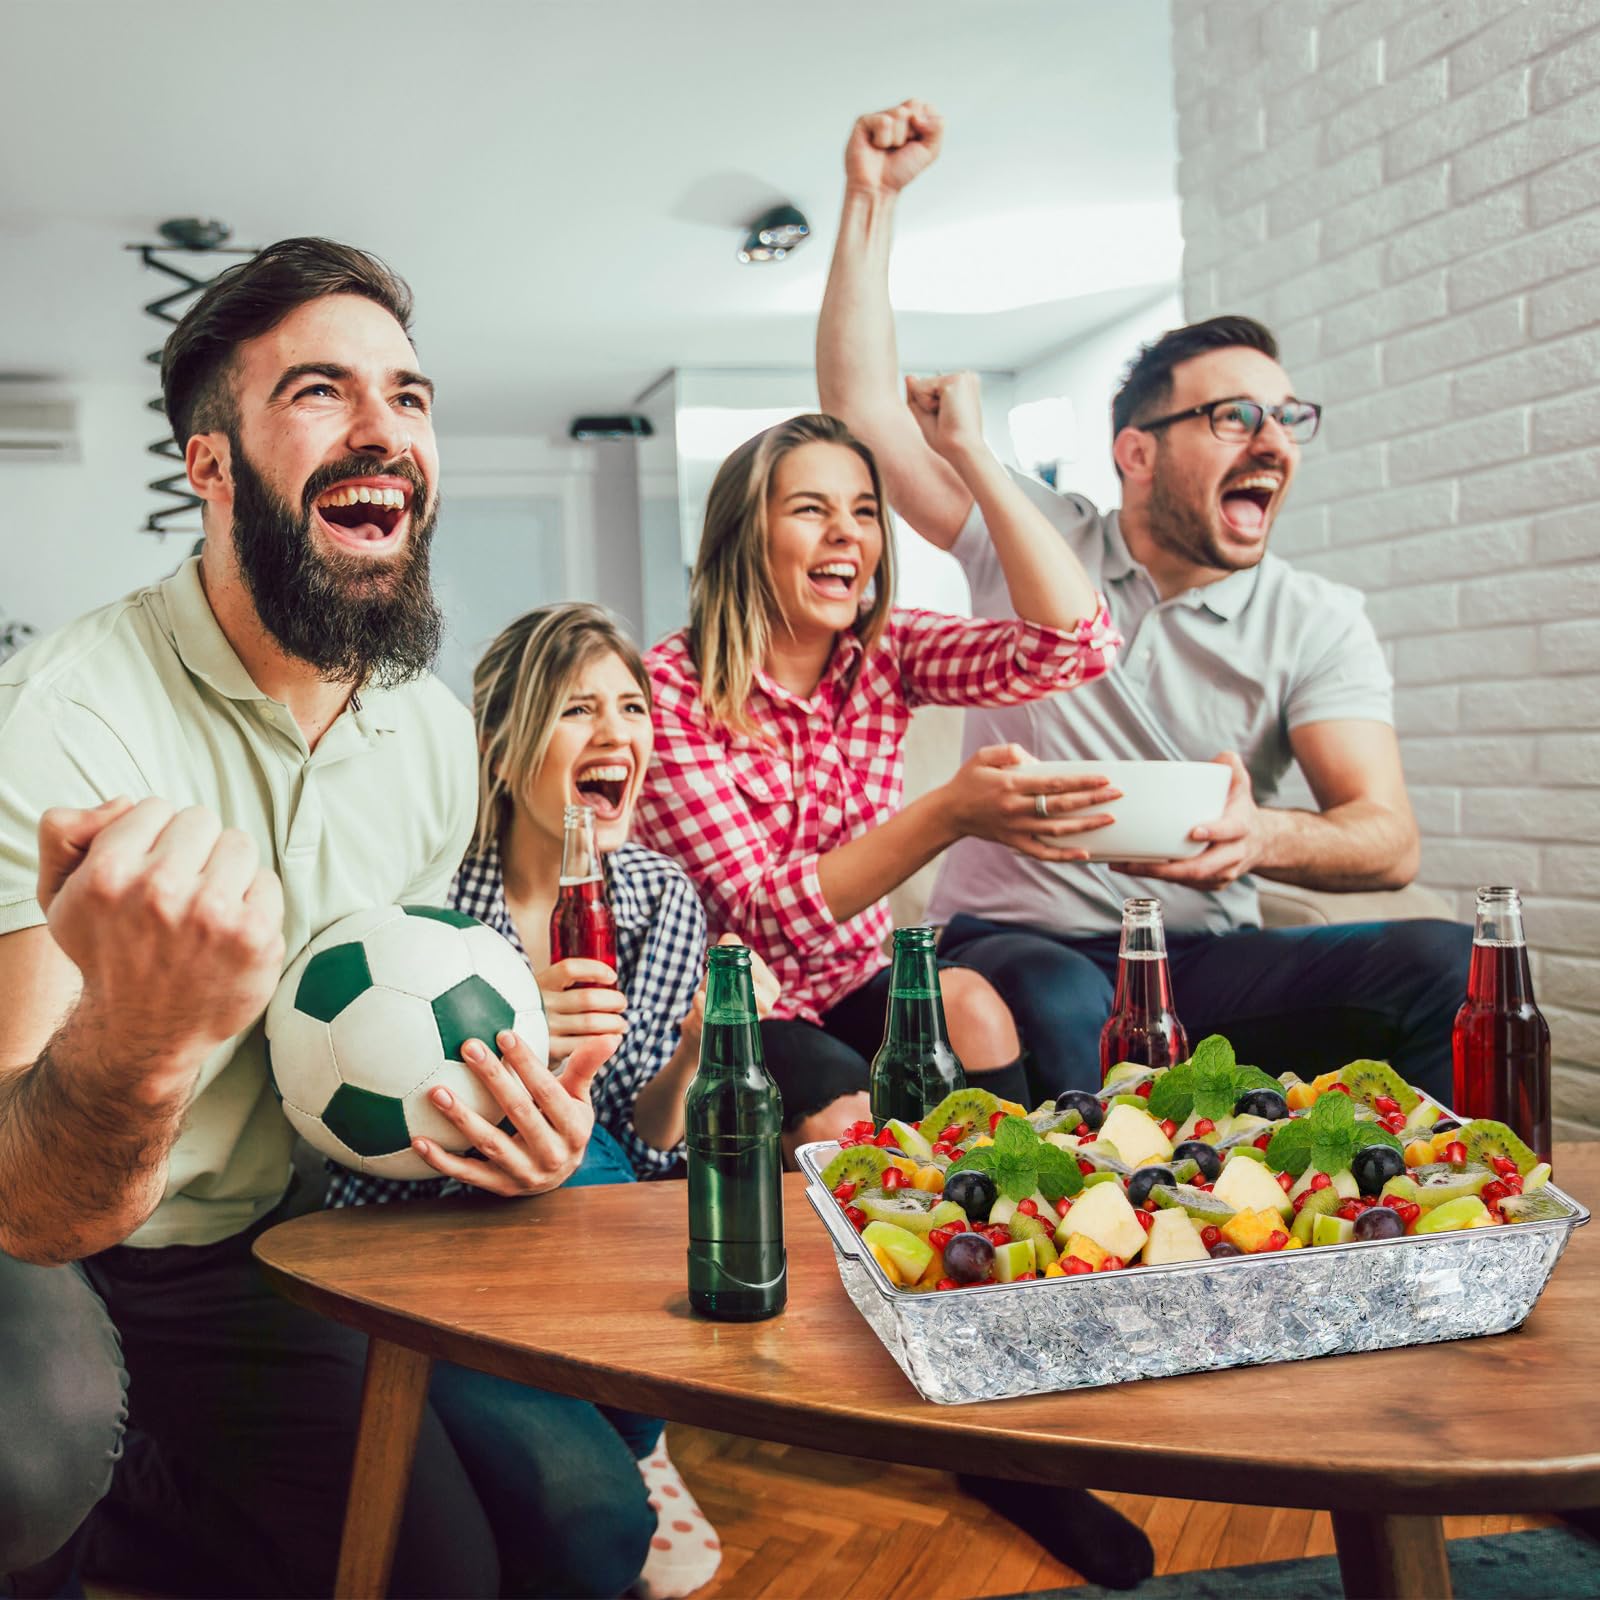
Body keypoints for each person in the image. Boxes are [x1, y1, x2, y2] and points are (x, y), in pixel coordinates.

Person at [0, 240, 650, 1599]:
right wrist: (146, 1024)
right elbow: (26, 1196)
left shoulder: (428, 736)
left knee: (451, 1575)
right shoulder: (63, 718)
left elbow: (371, 1059)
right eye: (319, 391)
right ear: (212, 464)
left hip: (257, 1252)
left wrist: (502, 1130)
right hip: (48, 1250)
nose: (384, 430)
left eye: (409, 397)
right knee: (31, 1454)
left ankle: (154, 1492)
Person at [816, 99, 1472, 1109]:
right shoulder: (1030, 538)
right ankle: (1123, 1248)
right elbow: (862, 411)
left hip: (1200, 951)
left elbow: (1386, 838)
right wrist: (870, 197)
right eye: (1233, 417)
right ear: (1136, 451)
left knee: (1448, 961)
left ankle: (1444, 1237)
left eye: (1288, 418)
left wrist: (1264, 838)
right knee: (1057, 998)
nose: (1275, 441)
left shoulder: (1317, 616)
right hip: (1017, 942)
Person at [326, 601, 782, 1600]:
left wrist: (698, 1049)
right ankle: (622, 1439)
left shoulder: (658, 898)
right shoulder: (431, 890)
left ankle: (633, 1434)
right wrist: (530, 1045)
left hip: (576, 1229)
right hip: (424, 1230)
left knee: (617, 1168)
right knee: (588, 1532)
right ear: (502, 747)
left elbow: (648, 1149)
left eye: (631, 705)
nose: (616, 733)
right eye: (578, 709)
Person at [633, 410, 1121, 1158]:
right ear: (743, 536)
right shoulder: (666, 691)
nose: (847, 533)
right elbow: (766, 914)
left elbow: (1074, 646)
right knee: (848, 1119)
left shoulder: (885, 654)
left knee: (974, 1007)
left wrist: (971, 451)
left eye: (865, 511)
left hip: (855, 975)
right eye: (810, 509)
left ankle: (1006, 1228)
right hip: (732, 1005)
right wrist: (949, 813)